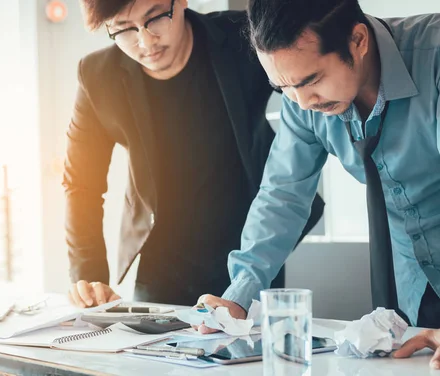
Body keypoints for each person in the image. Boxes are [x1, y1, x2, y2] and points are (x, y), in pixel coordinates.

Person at [197, 0, 440, 335]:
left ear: (358, 41)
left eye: (311, 79)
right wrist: (239, 297)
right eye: (283, 87)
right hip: (416, 289)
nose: (302, 101)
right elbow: (281, 196)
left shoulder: (435, 55)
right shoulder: (301, 101)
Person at [63, 0, 325, 307]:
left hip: (250, 248)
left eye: (156, 17)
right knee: (155, 353)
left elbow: (309, 86)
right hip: (162, 260)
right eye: (124, 29)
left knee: (248, 351)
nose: (146, 41)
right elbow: (81, 184)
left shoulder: (243, 35)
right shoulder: (98, 76)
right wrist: (90, 277)